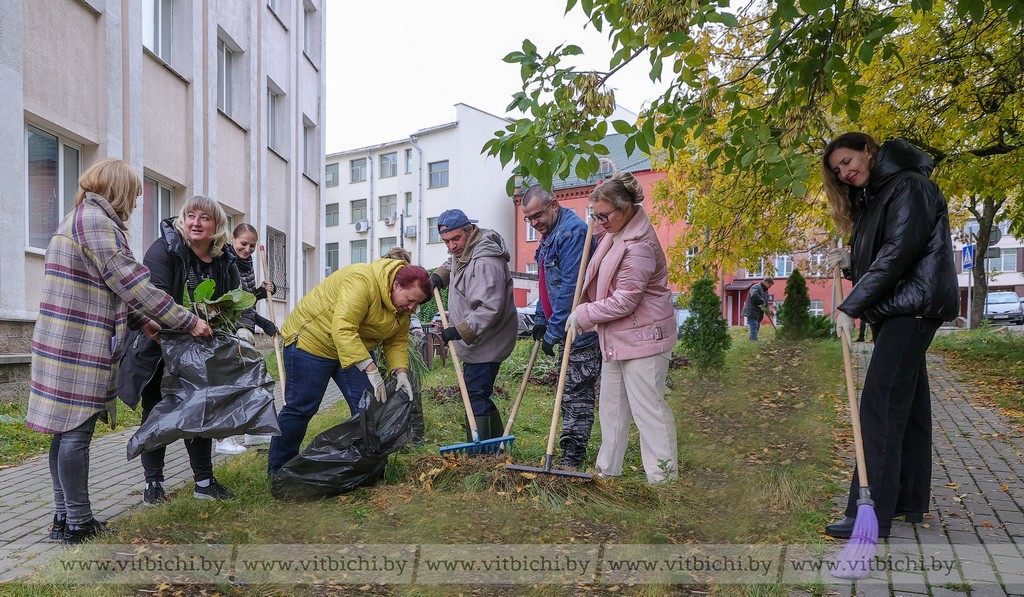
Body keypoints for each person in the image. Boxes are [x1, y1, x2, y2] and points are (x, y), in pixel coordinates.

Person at [27, 159, 212, 544]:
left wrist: (140, 322)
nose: (134, 203)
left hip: (63, 339)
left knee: (64, 433)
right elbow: (132, 283)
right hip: (79, 344)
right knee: (76, 432)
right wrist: (188, 321)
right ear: (119, 190)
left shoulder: (78, 217)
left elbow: (101, 287)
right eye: (134, 195)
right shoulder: (96, 223)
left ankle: (63, 518)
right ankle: (78, 523)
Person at [821, 132, 958, 538]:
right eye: (838, 170)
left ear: (868, 149)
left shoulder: (909, 186)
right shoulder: (878, 194)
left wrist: (851, 306)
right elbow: (884, 256)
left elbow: (900, 253)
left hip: (911, 307)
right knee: (910, 404)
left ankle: (871, 512)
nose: (846, 172)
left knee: (880, 403)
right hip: (901, 307)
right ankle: (905, 499)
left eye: (848, 161)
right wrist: (851, 263)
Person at [119, 196, 241, 504]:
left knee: (200, 411)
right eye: (191, 216)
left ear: (217, 226)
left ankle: (204, 481)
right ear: (183, 221)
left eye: (204, 217)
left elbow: (234, 302)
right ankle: (153, 484)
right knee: (157, 413)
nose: (196, 222)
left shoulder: (225, 259)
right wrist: (186, 327)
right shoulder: (164, 250)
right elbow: (154, 299)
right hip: (158, 345)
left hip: (201, 352)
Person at [267, 259, 431, 475]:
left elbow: (396, 341)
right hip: (312, 341)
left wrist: (400, 372)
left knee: (367, 408)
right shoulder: (362, 281)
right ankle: (279, 470)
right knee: (301, 407)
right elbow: (343, 328)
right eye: (410, 300)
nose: (411, 308)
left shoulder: (401, 309)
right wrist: (371, 368)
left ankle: (367, 467)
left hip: (353, 347)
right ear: (396, 285)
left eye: (416, 305)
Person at [567, 171, 679, 484]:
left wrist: (585, 313)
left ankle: (664, 482)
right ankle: (606, 474)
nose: (599, 221)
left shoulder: (639, 245)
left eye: (603, 215)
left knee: (649, 412)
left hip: (645, 338)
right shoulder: (614, 233)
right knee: (612, 411)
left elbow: (625, 301)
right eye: (594, 215)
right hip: (618, 338)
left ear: (626, 208)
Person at [520, 185, 601, 469]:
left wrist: (554, 331)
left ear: (554, 205)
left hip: (580, 329)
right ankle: (567, 450)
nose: (534, 223)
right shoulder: (548, 236)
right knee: (567, 392)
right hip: (562, 326)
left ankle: (572, 456)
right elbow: (545, 284)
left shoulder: (572, 233)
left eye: (537, 215)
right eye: (528, 219)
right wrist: (541, 321)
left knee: (577, 394)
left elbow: (571, 288)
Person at [429, 209, 518, 441]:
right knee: (478, 394)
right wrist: (440, 276)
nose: (452, 246)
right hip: (477, 342)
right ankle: (496, 444)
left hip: (489, 340)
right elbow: (454, 262)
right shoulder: (467, 249)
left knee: (475, 395)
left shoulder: (486, 262)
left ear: (469, 230)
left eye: (456, 239)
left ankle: (479, 451)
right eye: (446, 241)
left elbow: (491, 308)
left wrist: (458, 331)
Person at [215, 223, 278, 453]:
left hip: (246, 329)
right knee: (244, 382)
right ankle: (223, 439)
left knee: (259, 381)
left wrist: (264, 323)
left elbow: (247, 305)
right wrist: (259, 294)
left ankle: (254, 433)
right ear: (232, 239)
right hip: (233, 331)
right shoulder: (227, 261)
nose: (248, 249)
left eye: (252, 245)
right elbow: (234, 302)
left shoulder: (247, 263)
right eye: (243, 244)